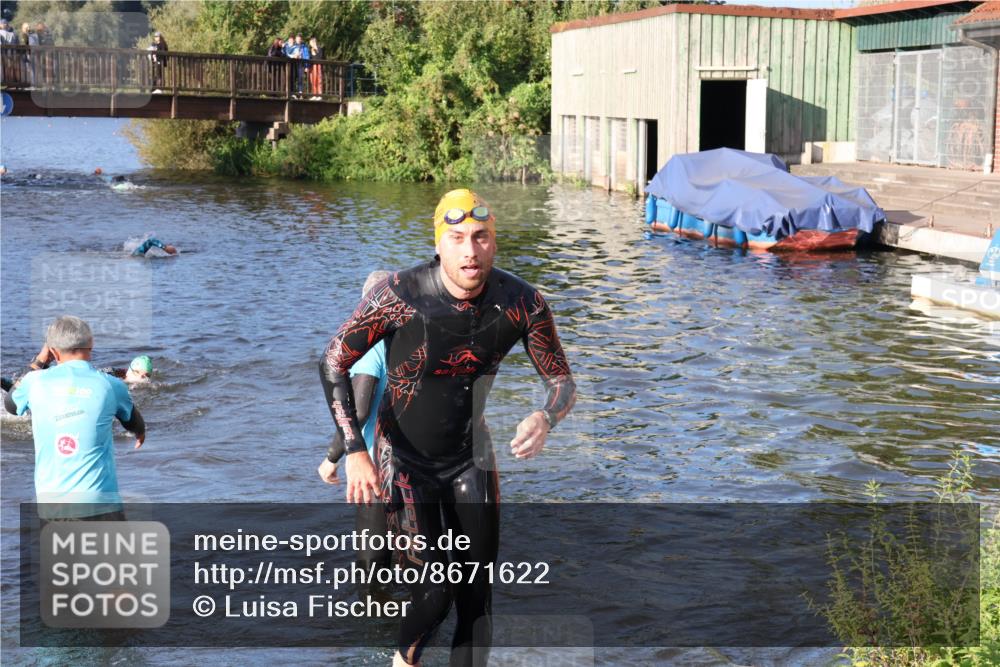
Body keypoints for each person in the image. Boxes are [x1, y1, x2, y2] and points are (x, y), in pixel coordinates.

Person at [319, 189, 576, 667]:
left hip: (471, 457)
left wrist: (547, 415)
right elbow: (334, 363)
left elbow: (561, 379)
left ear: (494, 242)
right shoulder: (398, 295)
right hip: (405, 460)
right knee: (436, 587)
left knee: (477, 595)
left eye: (480, 237)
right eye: (457, 237)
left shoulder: (523, 303)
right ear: (439, 243)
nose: (469, 250)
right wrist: (353, 450)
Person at [5, 316, 146, 519]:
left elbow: (11, 404)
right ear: (91, 344)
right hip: (100, 505)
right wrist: (140, 432)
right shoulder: (111, 385)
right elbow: (134, 422)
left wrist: (40, 360)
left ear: (53, 351)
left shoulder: (33, 382)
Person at [318, 270, 392, 570]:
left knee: (371, 565)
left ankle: (373, 613)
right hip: (417, 463)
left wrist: (331, 457)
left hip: (376, 466)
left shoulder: (369, 344)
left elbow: (359, 409)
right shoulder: (414, 340)